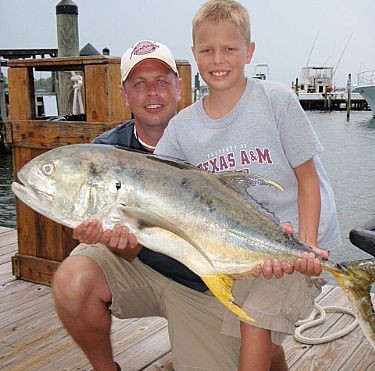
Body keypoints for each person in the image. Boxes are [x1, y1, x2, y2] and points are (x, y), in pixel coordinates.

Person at [153, 1, 342, 371]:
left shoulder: (277, 102)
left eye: (230, 49)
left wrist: (306, 248)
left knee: (253, 323)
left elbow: (307, 178)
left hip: (298, 242)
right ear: (193, 55)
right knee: (256, 336)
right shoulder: (181, 129)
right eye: (207, 50)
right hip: (239, 249)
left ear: (249, 52)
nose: (218, 59)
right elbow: (159, 180)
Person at [53, 39, 246, 371]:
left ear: (179, 87)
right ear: (125, 95)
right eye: (139, 84)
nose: (152, 92)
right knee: (73, 280)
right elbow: (125, 246)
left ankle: (268, 353)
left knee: (258, 353)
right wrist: (109, 241)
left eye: (161, 81)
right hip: (140, 268)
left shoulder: (213, 145)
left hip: (204, 284)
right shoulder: (105, 153)